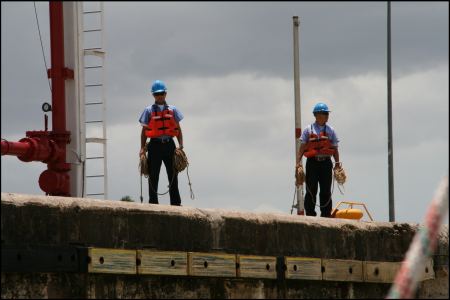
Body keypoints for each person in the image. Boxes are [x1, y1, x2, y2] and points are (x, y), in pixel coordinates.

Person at [139, 80, 184, 206]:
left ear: (166, 94)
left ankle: (175, 202)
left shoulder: (173, 110)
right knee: (153, 175)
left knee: (173, 174)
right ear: (153, 95)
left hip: (170, 144)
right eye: (157, 94)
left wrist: (181, 145)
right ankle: (153, 202)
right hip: (154, 146)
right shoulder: (148, 111)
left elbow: (178, 129)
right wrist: (142, 148)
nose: (160, 96)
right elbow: (143, 131)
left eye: (162, 93)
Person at [296, 102, 341, 217]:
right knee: (311, 190)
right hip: (312, 163)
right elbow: (302, 148)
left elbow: (335, 149)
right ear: (317, 115)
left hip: (326, 163)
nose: (327, 115)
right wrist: (298, 164)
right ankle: (310, 215)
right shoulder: (308, 130)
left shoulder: (331, 130)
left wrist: (337, 164)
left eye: (327, 113)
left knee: (325, 190)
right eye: (325, 113)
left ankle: (326, 215)